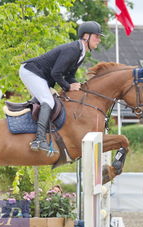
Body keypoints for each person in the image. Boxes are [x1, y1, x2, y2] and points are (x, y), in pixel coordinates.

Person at [19, 21, 103, 153]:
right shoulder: (73, 49)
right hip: (31, 72)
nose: (99, 39)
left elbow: (69, 76)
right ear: (86, 36)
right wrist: (68, 87)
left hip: (41, 76)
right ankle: (39, 140)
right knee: (48, 101)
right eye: (96, 36)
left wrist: (80, 86)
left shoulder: (80, 52)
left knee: (50, 100)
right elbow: (56, 73)